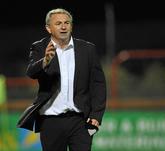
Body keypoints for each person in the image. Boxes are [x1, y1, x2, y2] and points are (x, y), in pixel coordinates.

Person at [17, 8, 106, 151]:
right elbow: (31, 72)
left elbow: (98, 84)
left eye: (67, 23)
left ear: (71, 25)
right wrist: (45, 61)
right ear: (48, 28)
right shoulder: (39, 47)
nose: (63, 26)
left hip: (80, 121)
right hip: (50, 122)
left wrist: (96, 114)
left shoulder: (87, 49)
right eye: (58, 23)